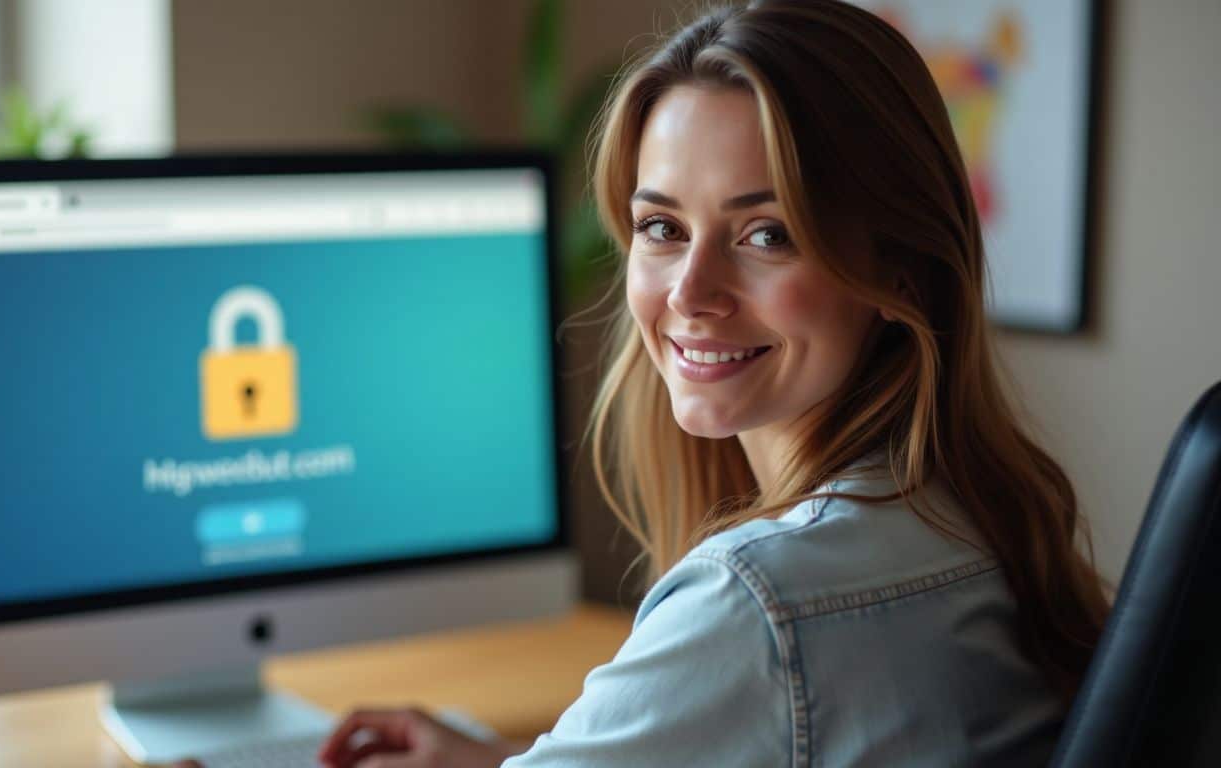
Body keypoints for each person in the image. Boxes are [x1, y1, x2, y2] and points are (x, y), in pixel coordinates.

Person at [316, 1, 1111, 765]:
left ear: (898, 270)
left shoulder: (758, 601)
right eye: (662, 227)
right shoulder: (971, 522)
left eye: (766, 234)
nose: (690, 293)